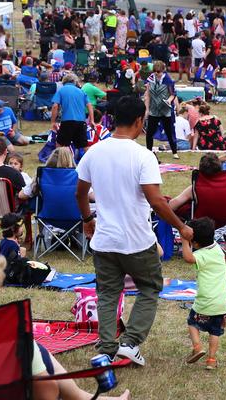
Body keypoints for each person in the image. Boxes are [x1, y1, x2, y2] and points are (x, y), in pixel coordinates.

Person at [77, 95, 194, 367]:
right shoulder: (143, 155)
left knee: (107, 293)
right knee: (150, 287)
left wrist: (87, 220)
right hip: (136, 239)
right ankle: (130, 343)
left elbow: (80, 193)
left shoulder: (94, 151)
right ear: (141, 121)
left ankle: (106, 349)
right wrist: (181, 226)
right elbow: (156, 201)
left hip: (105, 240)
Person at [0, 238, 124, 400]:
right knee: (37, 353)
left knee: (38, 351)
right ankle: (84, 397)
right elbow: (46, 392)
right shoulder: (9, 331)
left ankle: (83, 397)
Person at [179, 217, 226, 371]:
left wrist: (183, 240)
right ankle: (211, 360)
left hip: (205, 301)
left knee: (192, 322)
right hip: (222, 303)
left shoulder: (201, 255)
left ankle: (197, 347)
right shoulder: (217, 250)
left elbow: (188, 257)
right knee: (215, 331)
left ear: (196, 243)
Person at [143, 61, 180, 160]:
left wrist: (168, 101)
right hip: (154, 109)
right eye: (155, 71)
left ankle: (174, 152)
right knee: (149, 132)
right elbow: (147, 95)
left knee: (169, 131)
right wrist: (147, 109)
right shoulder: (150, 79)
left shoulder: (168, 80)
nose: (156, 73)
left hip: (165, 109)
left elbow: (172, 94)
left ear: (163, 70)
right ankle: (149, 153)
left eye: (158, 71)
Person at [51, 73, 92, 150]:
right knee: (84, 146)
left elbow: (55, 106)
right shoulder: (81, 91)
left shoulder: (61, 90)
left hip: (67, 121)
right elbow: (89, 105)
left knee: (60, 144)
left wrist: (53, 121)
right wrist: (92, 120)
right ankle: (91, 161)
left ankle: (60, 161)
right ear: (75, 81)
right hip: (81, 122)